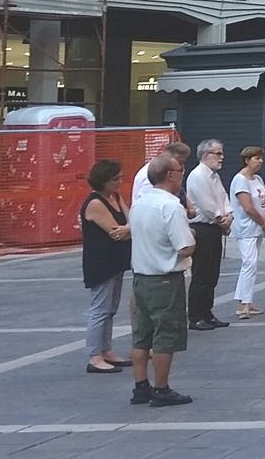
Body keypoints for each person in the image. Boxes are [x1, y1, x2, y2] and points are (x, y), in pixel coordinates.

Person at [127, 153, 195, 407]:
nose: (182, 175)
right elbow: (185, 247)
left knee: (141, 335)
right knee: (165, 335)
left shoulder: (139, 203)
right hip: (165, 280)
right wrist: (193, 236)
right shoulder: (171, 206)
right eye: (180, 171)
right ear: (169, 175)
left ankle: (140, 386)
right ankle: (161, 388)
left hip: (141, 277)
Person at [80, 159, 132, 374]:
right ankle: (94, 355)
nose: (119, 182)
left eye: (120, 178)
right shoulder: (95, 203)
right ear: (103, 181)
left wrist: (128, 228)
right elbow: (115, 232)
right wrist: (128, 229)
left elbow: (130, 222)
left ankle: (106, 349)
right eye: (114, 179)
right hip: (100, 261)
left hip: (115, 260)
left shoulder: (116, 197)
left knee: (110, 309)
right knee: (100, 309)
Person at [185, 139, 232, 331]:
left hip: (214, 227)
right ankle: (196, 316)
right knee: (202, 273)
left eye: (222, 153)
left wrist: (229, 215)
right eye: (217, 153)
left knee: (212, 273)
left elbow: (223, 197)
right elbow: (207, 205)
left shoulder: (214, 176)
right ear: (205, 155)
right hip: (202, 228)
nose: (222, 157)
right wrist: (222, 218)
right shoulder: (198, 176)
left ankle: (207, 312)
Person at [228, 146, 265, 320]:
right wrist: (263, 221)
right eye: (256, 158)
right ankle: (245, 303)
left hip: (258, 227)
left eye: (261, 158)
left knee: (250, 263)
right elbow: (248, 207)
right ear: (247, 160)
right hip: (246, 228)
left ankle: (245, 300)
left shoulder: (258, 179)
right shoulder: (240, 180)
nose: (260, 161)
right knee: (249, 263)